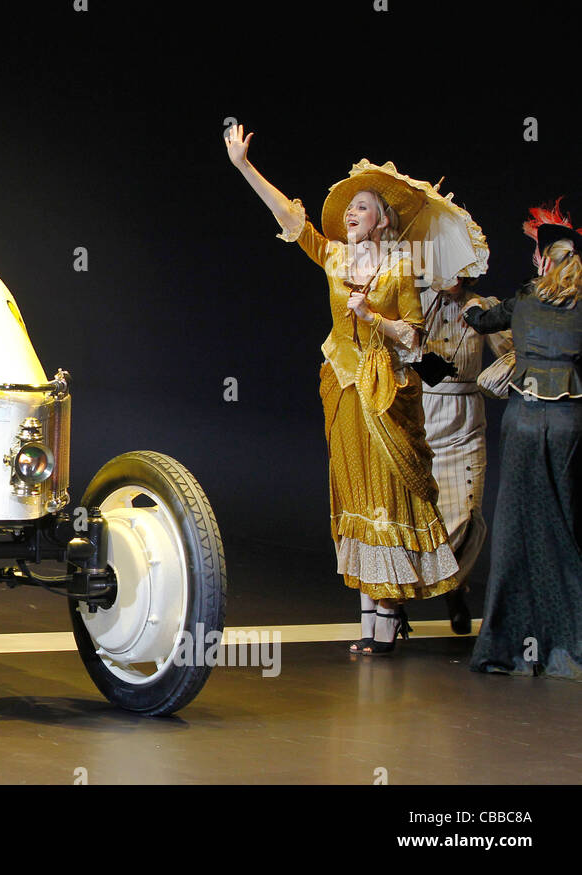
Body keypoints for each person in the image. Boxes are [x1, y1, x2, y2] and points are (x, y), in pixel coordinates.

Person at [223, 125, 460, 654]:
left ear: (382, 220)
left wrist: (374, 314)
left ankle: (389, 612)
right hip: (342, 383)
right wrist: (244, 166)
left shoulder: (402, 268)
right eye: (348, 209)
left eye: (363, 208)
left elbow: (416, 336)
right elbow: (291, 220)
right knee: (355, 492)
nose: (351, 215)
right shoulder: (333, 259)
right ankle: (370, 621)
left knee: (388, 495)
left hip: (386, 389)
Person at [463, 201, 582, 679]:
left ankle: (506, 650)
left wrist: (470, 301)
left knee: (516, 528)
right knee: (565, 525)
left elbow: (482, 321)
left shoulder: (526, 299)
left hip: (526, 419)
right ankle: (567, 650)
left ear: (542, 258)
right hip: (571, 422)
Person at [420, 277, 512, 634]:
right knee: (415, 514)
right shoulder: (415, 302)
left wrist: (497, 377)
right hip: (422, 415)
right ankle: (391, 604)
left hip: (465, 419)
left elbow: (514, 349)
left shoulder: (483, 305)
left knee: (465, 513)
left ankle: (454, 586)